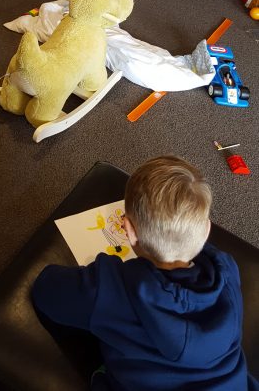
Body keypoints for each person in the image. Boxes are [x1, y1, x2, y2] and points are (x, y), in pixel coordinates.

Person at [32, 156, 259, 390]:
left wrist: (103, 274)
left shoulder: (111, 289)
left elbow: (46, 290)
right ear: (206, 229)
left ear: (129, 231)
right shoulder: (227, 270)